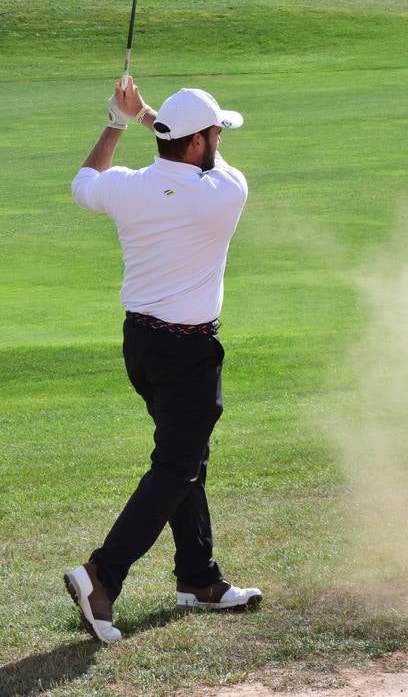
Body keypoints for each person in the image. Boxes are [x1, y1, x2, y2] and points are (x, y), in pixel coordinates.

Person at [64, 76, 262, 644]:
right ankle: (101, 574)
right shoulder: (225, 191)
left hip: (141, 347)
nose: (220, 139)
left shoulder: (127, 187)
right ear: (199, 142)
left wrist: (117, 120)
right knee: (177, 465)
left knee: (185, 457)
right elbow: (196, 159)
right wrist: (149, 114)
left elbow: (84, 183)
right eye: (216, 132)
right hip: (189, 350)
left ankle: (199, 579)